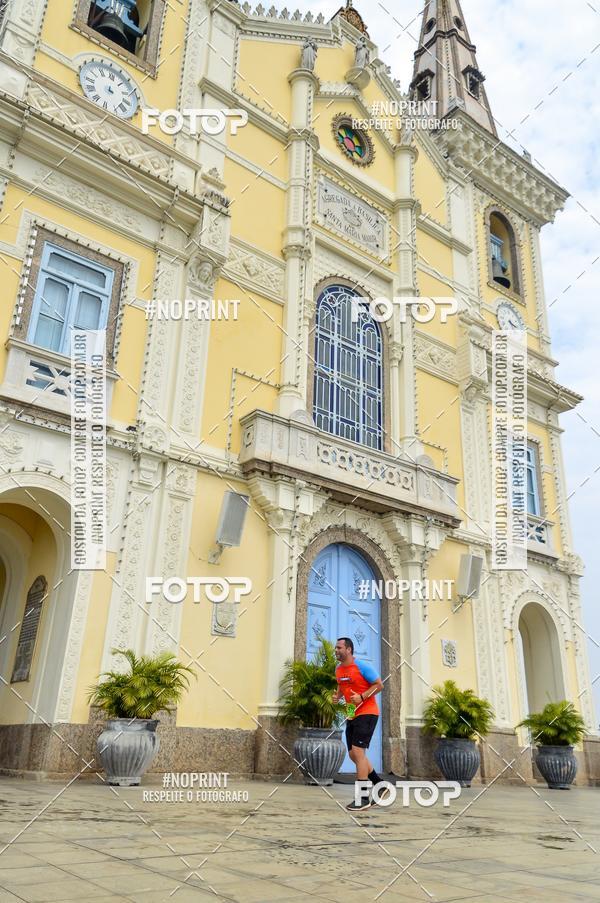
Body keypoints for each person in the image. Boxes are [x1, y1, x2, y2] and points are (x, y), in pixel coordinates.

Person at [333, 637, 388, 810]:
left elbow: (379, 685)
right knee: (354, 755)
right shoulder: (339, 669)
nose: (336, 650)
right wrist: (338, 697)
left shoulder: (362, 666)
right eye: (336, 647)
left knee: (358, 752)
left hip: (368, 712)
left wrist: (363, 697)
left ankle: (363, 798)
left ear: (348, 649)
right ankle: (381, 786)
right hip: (351, 713)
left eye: (339, 647)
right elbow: (342, 688)